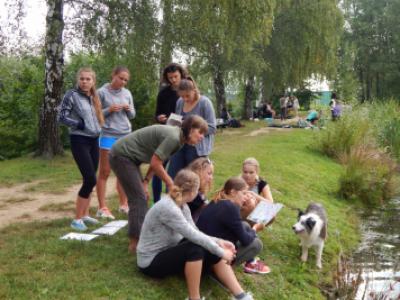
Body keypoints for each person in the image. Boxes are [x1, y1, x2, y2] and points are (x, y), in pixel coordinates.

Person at [137, 169, 254, 300]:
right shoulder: (168, 207)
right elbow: (193, 236)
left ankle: (240, 295)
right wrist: (221, 252)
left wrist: (219, 241)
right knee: (195, 248)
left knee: (204, 246)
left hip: (168, 250)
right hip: (150, 262)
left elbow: (195, 231)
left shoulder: (182, 205)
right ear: (193, 192)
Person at [109, 115, 208, 253]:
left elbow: (156, 161)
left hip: (131, 158)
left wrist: (145, 182)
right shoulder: (174, 138)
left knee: (142, 196)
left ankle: (140, 238)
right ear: (191, 129)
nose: (202, 137)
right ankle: (135, 244)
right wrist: (170, 183)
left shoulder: (179, 140)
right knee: (138, 199)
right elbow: (156, 162)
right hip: (121, 155)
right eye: (200, 132)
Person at [58, 67, 103, 231]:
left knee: (91, 179)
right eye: (82, 79)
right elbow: (61, 116)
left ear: (93, 81)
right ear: (78, 80)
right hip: (79, 140)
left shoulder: (94, 96)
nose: (84, 82)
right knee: (90, 179)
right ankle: (76, 220)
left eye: (88, 79)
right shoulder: (72, 95)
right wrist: (79, 124)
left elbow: (98, 116)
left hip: (94, 140)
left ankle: (85, 215)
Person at [197, 177, 270, 275]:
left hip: (203, 249)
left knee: (245, 225)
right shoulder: (230, 207)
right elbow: (246, 240)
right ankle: (222, 271)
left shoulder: (218, 199)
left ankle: (249, 261)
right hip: (210, 259)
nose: (245, 197)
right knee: (256, 244)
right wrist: (255, 228)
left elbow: (236, 225)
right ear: (233, 192)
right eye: (243, 193)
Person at [95, 66, 135, 219]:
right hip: (108, 135)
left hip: (125, 135)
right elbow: (96, 115)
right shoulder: (101, 92)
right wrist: (109, 110)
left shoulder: (127, 93)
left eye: (125, 80)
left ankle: (124, 205)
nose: (123, 82)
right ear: (113, 75)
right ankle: (102, 207)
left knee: (123, 171)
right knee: (105, 171)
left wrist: (128, 109)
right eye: (121, 78)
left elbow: (132, 115)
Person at [152, 63, 188, 202]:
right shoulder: (164, 93)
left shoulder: (188, 90)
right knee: (158, 168)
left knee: (178, 171)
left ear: (181, 75)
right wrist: (159, 117)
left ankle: (177, 199)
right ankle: (156, 201)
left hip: (182, 134)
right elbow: (157, 113)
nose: (173, 80)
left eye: (176, 76)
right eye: (170, 77)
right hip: (166, 133)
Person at [168, 77, 216, 180]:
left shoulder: (205, 103)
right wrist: (173, 122)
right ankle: (172, 195)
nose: (185, 99)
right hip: (180, 144)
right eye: (182, 96)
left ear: (194, 91)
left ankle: (195, 196)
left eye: (187, 96)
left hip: (197, 149)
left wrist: (194, 131)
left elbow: (212, 127)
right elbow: (178, 120)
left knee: (194, 179)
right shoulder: (180, 102)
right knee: (174, 177)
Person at [240, 157, 274, 232]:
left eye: (251, 172)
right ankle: (246, 231)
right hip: (239, 211)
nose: (247, 175)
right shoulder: (238, 181)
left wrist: (254, 195)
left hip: (253, 211)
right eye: (245, 172)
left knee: (272, 214)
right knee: (250, 204)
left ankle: (252, 230)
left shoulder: (261, 183)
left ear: (257, 172)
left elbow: (271, 203)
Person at [186, 157, 214, 222]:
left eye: (212, 174)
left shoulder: (197, 191)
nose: (211, 178)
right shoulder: (193, 195)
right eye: (209, 173)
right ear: (198, 172)